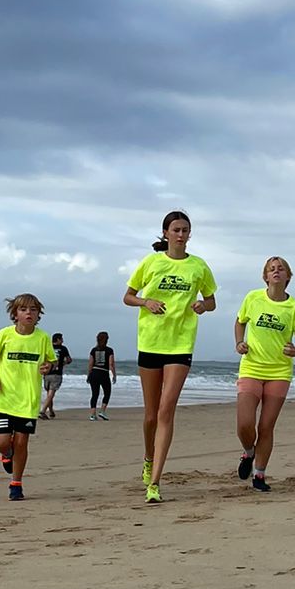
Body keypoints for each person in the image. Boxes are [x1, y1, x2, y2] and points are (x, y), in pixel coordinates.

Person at [123, 210, 218, 503]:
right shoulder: (151, 262)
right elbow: (128, 296)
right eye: (176, 229)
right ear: (165, 233)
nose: (180, 234)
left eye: (185, 230)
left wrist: (202, 306)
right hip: (151, 342)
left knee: (166, 411)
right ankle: (148, 457)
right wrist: (146, 302)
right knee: (151, 415)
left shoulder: (198, 266)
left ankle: (154, 483)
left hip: (180, 345)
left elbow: (211, 301)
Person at [235, 257, 295, 492]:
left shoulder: (294, 307)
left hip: (279, 371)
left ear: (288, 276)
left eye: (281, 269)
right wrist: (239, 342)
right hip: (252, 367)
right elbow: (240, 322)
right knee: (245, 424)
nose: (276, 272)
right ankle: (249, 453)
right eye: (271, 269)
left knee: (266, 426)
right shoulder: (253, 298)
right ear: (265, 276)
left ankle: (259, 474)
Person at [0, 294, 55, 500]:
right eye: (23, 309)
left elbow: (51, 361)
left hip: (27, 400)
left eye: (33, 309)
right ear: (15, 314)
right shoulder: (5, 334)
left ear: (38, 314)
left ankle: (16, 484)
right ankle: (7, 454)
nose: (28, 313)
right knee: (1, 443)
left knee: (22, 443)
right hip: (4, 397)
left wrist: (48, 366)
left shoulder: (42, 338)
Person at [85, 332, 116, 418]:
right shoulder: (109, 350)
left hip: (94, 373)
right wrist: (114, 375)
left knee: (94, 394)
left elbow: (90, 364)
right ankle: (102, 411)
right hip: (104, 373)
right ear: (106, 340)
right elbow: (111, 364)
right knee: (107, 392)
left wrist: (88, 375)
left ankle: (92, 414)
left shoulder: (93, 350)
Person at [41, 332, 70, 418]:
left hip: (47, 373)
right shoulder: (63, 348)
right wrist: (63, 363)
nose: (62, 341)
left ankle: (51, 411)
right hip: (57, 374)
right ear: (58, 340)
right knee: (51, 394)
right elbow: (69, 360)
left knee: (49, 394)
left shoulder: (48, 347)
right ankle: (43, 411)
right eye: (61, 339)